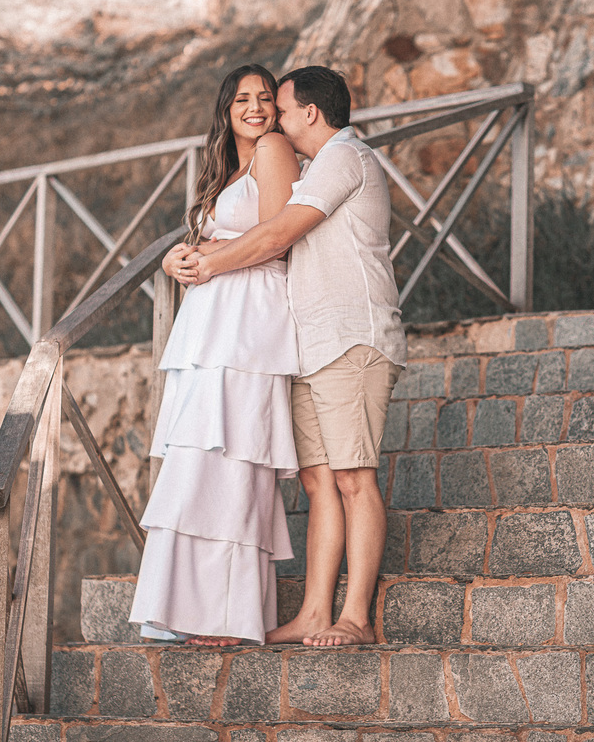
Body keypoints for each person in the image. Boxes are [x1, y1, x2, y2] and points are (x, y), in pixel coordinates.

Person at [178, 66, 407, 646]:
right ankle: (312, 614)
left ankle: (355, 617)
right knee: (317, 481)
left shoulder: (344, 159)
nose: (272, 122)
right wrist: (186, 255)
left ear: (309, 112)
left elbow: (277, 236)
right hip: (310, 344)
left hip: (353, 338)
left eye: (279, 110)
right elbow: (262, 233)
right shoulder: (313, 167)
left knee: (355, 478)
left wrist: (207, 264)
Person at [129, 63, 303, 646]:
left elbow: (277, 236)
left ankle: (228, 614)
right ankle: (186, 606)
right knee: (198, 459)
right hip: (211, 324)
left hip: (247, 324)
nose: (256, 109)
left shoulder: (275, 148)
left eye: (264, 99)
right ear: (226, 110)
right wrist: (174, 260)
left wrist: (209, 262)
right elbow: (216, 238)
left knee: (231, 461)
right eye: (243, 101)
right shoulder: (227, 167)